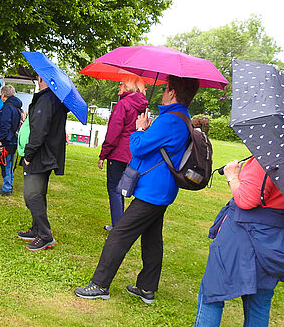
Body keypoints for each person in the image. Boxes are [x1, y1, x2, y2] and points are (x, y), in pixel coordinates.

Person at [163, 158, 284, 327]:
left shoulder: (271, 159)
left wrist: (233, 176)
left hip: (249, 232)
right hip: (283, 237)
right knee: (261, 296)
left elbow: (246, 199)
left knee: (213, 287)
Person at [75, 75, 199, 303]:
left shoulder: (169, 120)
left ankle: (100, 284)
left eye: (165, 89)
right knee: (152, 238)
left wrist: (140, 129)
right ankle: (146, 288)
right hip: (163, 190)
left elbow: (138, 148)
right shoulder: (182, 118)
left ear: (172, 93)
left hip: (152, 191)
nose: (162, 92)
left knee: (118, 235)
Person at [17, 75, 68, 251]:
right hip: (47, 155)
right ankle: (37, 229)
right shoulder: (54, 99)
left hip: (40, 155)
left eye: (39, 78)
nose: (37, 82)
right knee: (38, 193)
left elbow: (39, 130)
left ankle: (45, 235)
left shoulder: (46, 99)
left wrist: (29, 154)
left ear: (43, 79)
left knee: (31, 195)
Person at [99, 75, 148, 231]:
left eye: (121, 84)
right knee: (128, 188)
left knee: (115, 189)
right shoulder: (143, 106)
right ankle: (122, 225)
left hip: (119, 153)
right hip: (134, 152)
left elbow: (113, 133)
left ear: (128, 86)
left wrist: (103, 154)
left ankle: (118, 227)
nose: (118, 87)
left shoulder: (123, 104)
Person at [0, 84, 22, 196]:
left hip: (7, 140)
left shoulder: (7, 107)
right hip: (13, 139)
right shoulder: (17, 107)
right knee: (9, 163)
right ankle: (9, 184)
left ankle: (7, 188)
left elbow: (5, 125)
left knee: (5, 164)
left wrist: (0, 140)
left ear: (3, 95)